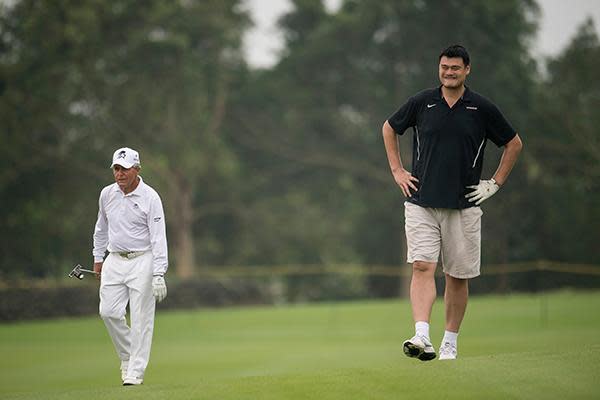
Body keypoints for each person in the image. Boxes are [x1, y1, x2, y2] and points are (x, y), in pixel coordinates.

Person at [381, 45, 523, 361]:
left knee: (457, 277)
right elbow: (390, 128)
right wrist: (397, 170)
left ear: (467, 70)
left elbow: (513, 144)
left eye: (455, 68)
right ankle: (421, 335)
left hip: (464, 204)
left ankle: (449, 342)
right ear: (439, 68)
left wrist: (495, 183)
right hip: (421, 201)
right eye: (445, 67)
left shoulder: (481, 108)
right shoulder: (422, 102)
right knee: (421, 265)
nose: (449, 72)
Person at [92, 147, 169, 385]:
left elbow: (158, 237)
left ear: (137, 169)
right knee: (108, 312)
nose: (120, 174)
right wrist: (98, 258)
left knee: (141, 318)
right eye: (116, 169)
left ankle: (135, 371)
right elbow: (101, 227)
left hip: (142, 260)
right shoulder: (107, 194)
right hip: (114, 259)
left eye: (124, 169)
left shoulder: (150, 197)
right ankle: (127, 355)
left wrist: (159, 273)